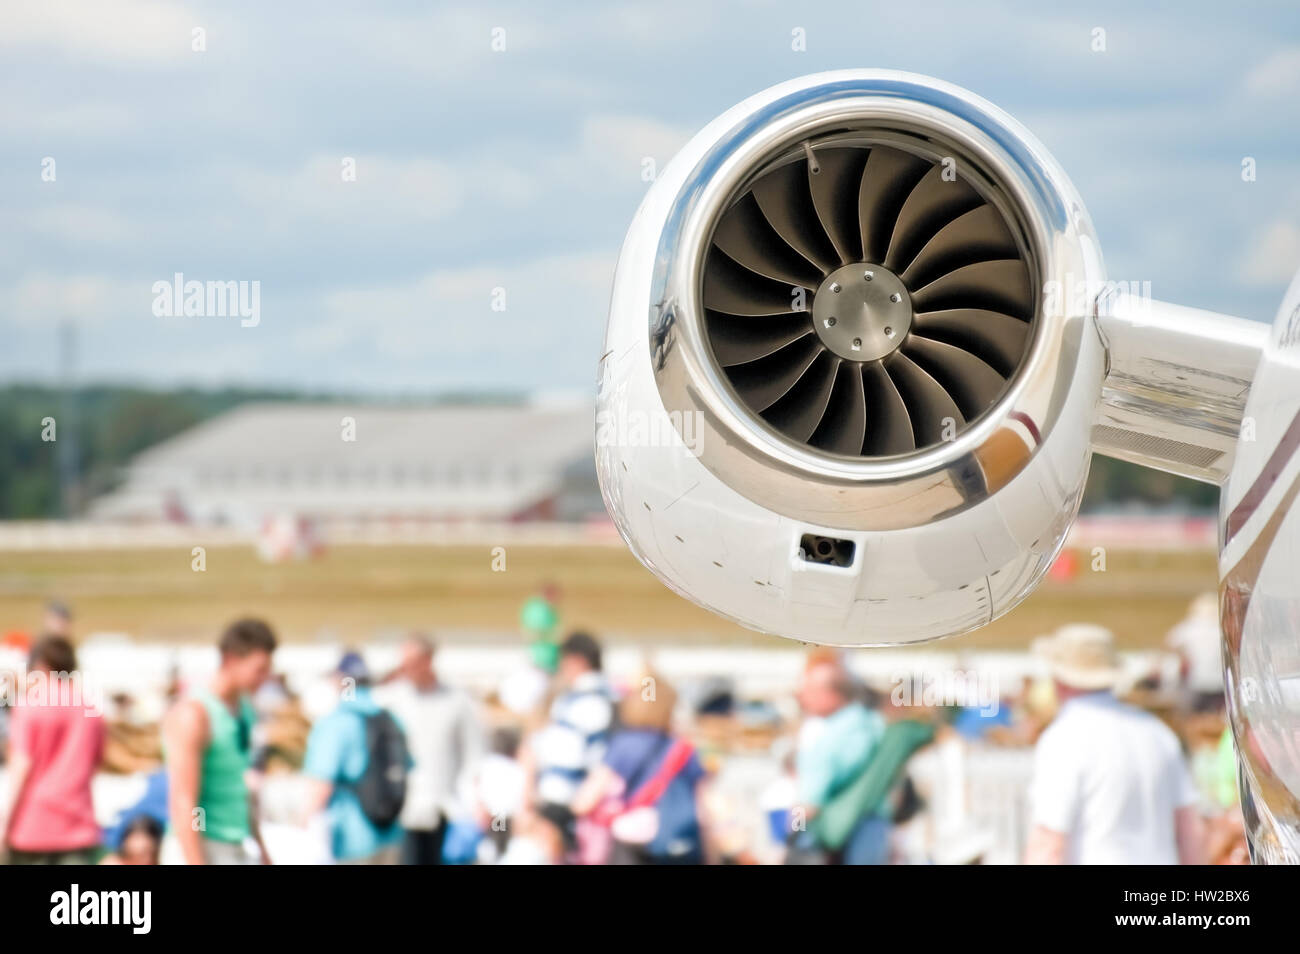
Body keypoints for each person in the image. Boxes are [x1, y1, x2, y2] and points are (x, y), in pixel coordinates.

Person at [1025, 624, 1206, 865]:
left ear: (1059, 679)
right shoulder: (1157, 732)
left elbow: (1049, 842)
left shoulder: (1063, 738)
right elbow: (1190, 831)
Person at [163, 618, 277, 865]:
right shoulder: (194, 714)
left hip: (236, 846)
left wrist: (263, 850)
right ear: (231, 659)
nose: (265, 678)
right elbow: (183, 801)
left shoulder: (245, 710)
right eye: (259, 669)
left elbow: (242, 789)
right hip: (202, 847)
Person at [572, 671, 708, 864]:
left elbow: (585, 801)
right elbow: (703, 811)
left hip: (629, 839)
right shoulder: (684, 749)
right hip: (674, 842)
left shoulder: (623, 744)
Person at [374, 634, 482, 865]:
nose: (406, 669)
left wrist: (477, 800)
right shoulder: (390, 699)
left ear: (428, 661)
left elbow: (475, 755)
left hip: (445, 806)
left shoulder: (457, 701)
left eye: (412, 663)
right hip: (403, 809)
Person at [3, 635, 105, 864]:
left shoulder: (29, 706)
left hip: (33, 826)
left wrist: (4, 823)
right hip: (78, 825)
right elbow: (96, 763)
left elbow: (21, 766)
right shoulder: (90, 707)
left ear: (40, 665)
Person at [302, 651, 408, 864]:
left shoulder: (336, 722)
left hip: (353, 838)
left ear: (341, 680)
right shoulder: (390, 718)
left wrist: (301, 826)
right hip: (392, 832)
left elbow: (321, 784)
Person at [788, 656, 888, 864]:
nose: (803, 698)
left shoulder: (834, 735)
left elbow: (810, 798)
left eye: (809, 691)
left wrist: (795, 830)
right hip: (870, 829)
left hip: (839, 838)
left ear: (831, 694)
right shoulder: (872, 723)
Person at [527, 631, 615, 860]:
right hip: (592, 805)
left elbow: (567, 759)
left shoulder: (583, 702)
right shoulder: (610, 698)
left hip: (566, 805)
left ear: (577, 660)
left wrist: (546, 806)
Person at [1166, 593, 1225, 712]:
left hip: (1196, 681)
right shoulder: (1221, 626)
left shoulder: (1190, 627)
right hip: (1220, 683)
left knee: (1193, 715)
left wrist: (1185, 655)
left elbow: (1170, 642)